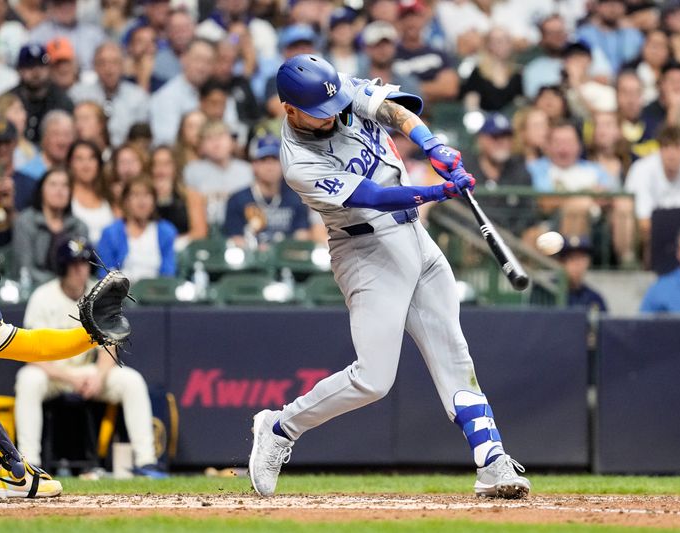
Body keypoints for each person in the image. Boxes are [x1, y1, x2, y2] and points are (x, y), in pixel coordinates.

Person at [248, 54, 531, 500]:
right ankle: (280, 426)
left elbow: (393, 110)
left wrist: (433, 145)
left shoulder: (334, 90)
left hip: (414, 236)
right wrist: (436, 190)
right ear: (289, 110)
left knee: (454, 353)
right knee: (373, 380)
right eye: (319, 114)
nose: (333, 115)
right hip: (365, 248)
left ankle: (492, 460)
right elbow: (374, 196)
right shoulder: (298, 161)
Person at [0, 238, 131, 498]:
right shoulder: (45, 295)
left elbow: (35, 344)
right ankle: (7, 469)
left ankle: (4, 469)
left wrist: (88, 334)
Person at [14, 236, 167, 480]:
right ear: (63, 267)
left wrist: (99, 376)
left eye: (84, 264)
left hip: (88, 373)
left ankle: (147, 462)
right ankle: (28, 463)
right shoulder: (43, 297)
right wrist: (68, 379)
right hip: (53, 373)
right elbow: (32, 354)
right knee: (28, 379)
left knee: (131, 380)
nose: (80, 270)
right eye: (74, 264)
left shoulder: (99, 294)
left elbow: (110, 346)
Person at [625, 125, 680, 250]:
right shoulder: (642, 169)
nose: (671, 154)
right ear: (659, 149)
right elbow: (643, 219)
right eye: (666, 147)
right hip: (649, 233)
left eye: (677, 147)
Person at [223, 135, 311, 249]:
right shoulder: (237, 200)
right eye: (264, 160)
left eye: (275, 160)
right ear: (254, 165)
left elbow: (301, 237)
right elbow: (234, 239)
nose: (270, 167)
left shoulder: (296, 199)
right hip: (249, 261)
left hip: (286, 260)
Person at [12, 167, 88, 287]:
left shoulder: (79, 226)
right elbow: (25, 269)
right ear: (41, 190)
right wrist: (58, 285)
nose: (59, 190)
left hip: (71, 292)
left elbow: (82, 267)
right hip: (33, 290)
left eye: (65, 185)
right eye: (53, 184)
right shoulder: (25, 222)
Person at [69, 41, 151, 147]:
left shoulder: (138, 97)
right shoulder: (78, 95)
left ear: (123, 66)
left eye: (114, 62)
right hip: (89, 154)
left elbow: (142, 138)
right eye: (102, 63)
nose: (109, 69)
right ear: (94, 66)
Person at [97, 177, 177, 281]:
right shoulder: (110, 233)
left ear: (154, 201)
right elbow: (104, 273)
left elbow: (168, 274)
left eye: (147, 195)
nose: (142, 202)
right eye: (135, 195)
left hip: (156, 293)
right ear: (126, 201)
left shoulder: (166, 232)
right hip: (121, 293)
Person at [183, 120, 252, 228]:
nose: (216, 143)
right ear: (201, 146)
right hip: (207, 230)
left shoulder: (247, 170)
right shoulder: (192, 171)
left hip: (241, 229)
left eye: (220, 136)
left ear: (231, 141)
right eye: (209, 138)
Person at [10, 44, 74, 144]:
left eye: (41, 65)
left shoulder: (62, 101)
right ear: (19, 70)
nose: (36, 72)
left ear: (49, 68)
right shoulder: (10, 99)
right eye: (30, 66)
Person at [462, 113, 531, 189]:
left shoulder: (519, 171)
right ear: (481, 139)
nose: (503, 142)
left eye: (507, 137)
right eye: (495, 137)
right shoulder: (465, 171)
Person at [68, 139, 114, 245]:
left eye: (92, 158)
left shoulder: (109, 197)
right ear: (70, 163)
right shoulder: (65, 196)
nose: (86, 165)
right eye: (79, 159)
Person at [556, 235, 607, 312]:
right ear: (562, 263)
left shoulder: (594, 298)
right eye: (572, 258)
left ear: (588, 262)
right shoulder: (548, 291)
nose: (577, 264)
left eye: (581, 258)